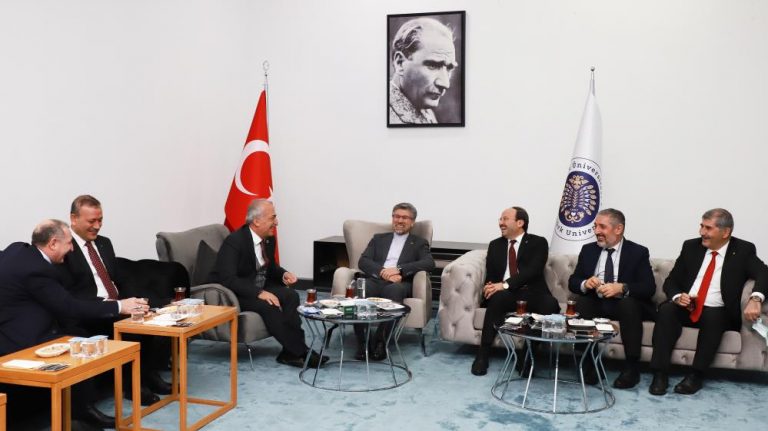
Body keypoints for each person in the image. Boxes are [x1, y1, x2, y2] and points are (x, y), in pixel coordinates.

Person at [0, 219, 148, 430]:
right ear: (53, 243)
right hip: (20, 339)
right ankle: (80, 414)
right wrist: (119, 306)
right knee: (79, 343)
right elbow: (69, 306)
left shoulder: (19, 250)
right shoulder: (36, 269)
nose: (72, 249)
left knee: (77, 330)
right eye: (69, 243)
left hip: (11, 327)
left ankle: (81, 408)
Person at [58, 195, 172, 406]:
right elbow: (72, 295)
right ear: (73, 219)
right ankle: (133, 385)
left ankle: (148, 375)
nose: (97, 226)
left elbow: (119, 278)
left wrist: (135, 300)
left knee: (153, 314)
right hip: (92, 310)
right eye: (91, 221)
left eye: (100, 220)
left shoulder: (104, 243)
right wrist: (115, 306)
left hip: (116, 302)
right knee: (132, 326)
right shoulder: (65, 247)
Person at [649, 208, 768, 395]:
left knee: (713, 316)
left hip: (718, 310)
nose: (702, 232)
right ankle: (660, 373)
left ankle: (695, 375)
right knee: (667, 310)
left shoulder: (743, 250)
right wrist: (678, 296)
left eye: (708, 228)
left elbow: (764, 273)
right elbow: (672, 281)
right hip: (688, 306)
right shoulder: (691, 247)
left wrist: (755, 298)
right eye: (701, 226)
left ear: (725, 232)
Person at [208, 199, 327, 368]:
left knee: (291, 295)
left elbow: (270, 267)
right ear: (256, 221)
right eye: (272, 217)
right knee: (268, 304)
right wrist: (259, 293)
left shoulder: (269, 240)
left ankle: (290, 352)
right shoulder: (235, 241)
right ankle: (301, 352)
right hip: (234, 293)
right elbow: (228, 279)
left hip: (257, 286)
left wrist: (283, 274)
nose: (276, 222)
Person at [568, 208, 656, 389]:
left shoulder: (637, 252)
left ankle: (631, 368)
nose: (596, 231)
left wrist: (622, 288)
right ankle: (589, 362)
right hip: (597, 301)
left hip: (623, 304)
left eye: (602, 227)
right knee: (583, 302)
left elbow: (649, 287)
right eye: (595, 227)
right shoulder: (588, 250)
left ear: (618, 229)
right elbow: (573, 281)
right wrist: (586, 283)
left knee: (628, 304)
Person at [471, 207, 561, 376]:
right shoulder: (495, 245)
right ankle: (483, 355)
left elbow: (533, 271)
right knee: (496, 299)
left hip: (532, 292)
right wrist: (490, 286)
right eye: (500, 219)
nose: (501, 223)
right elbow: (492, 273)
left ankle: (527, 356)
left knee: (550, 304)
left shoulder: (538, 242)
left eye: (505, 219)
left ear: (520, 223)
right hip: (506, 295)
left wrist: (505, 284)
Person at [355, 202, 435, 360]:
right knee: (361, 290)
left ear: (412, 222)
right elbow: (363, 261)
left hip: (399, 283)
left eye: (405, 217)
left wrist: (399, 269)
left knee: (394, 291)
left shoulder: (419, 242)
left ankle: (380, 342)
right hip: (375, 279)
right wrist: (383, 273)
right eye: (396, 216)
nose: (399, 220)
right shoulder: (378, 239)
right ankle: (363, 343)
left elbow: (429, 263)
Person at [389, 17, 457, 124]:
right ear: (400, 63)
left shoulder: (427, 112)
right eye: (433, 65)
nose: (445, 84)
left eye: (449, 68)